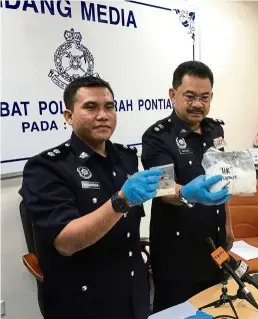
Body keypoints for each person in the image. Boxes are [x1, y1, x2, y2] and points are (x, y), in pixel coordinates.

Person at [21, 76, 164, 319]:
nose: (103, 115)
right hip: (84, 300)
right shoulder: (46, 167)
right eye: (90, 107)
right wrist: (120, 201)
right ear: (68, 116)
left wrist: (185, 194)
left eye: (109, 107)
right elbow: (66, 243)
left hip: (133, 291)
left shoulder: (126, 157)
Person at [141, 61, 234, 312]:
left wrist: (227, 225)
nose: (197, 104)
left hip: (214, 243)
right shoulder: (157, 136)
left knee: (216, 308)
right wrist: (186, 193)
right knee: (177, 312)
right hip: (176, 250)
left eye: (204, 97)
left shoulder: (216, 129)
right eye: (189, 96)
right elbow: (163, 189)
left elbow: (221, 178)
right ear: (173, 95)